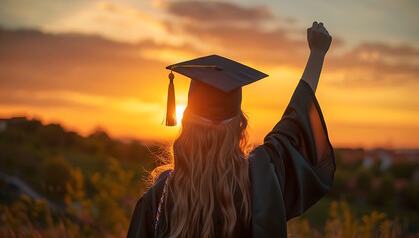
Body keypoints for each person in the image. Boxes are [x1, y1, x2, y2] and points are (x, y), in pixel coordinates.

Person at [127, 21, 335, 238]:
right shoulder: (260, 181)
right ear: (240, 126)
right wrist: (317, 54)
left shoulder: (160, 196)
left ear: (186, 124)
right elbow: (295, 127)